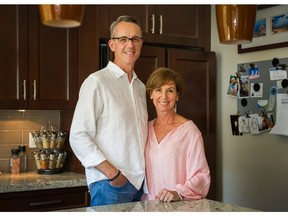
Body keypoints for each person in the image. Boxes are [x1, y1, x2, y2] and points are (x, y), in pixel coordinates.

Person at [69, 15, 148, 206]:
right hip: (111, 185)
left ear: (141, 44)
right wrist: (112, 174)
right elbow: (78, 136)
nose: (130, 44)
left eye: (135, 39)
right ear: (112, 45)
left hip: (141, 185)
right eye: (123, 39)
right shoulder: (97, 82)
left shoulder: (140, 87)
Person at [143, 67, 211, 202]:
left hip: (178, 207)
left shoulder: (190, 131)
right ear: (151, 94)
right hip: (150, 206)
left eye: (170, 90)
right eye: (158, 90)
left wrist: (178, 193)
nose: (164, 96)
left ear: (177, 95)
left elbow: (202, 175)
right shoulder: (146, 128)